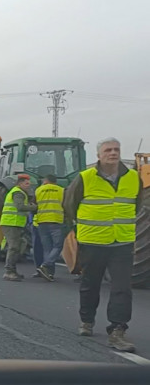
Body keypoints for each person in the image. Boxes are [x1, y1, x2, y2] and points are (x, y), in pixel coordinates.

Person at [63, 137, 142, 352]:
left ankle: (117, 330)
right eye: (108, 150)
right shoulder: (85, 177)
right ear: (99, 155)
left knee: (122, 289)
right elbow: (70, 205)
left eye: (116, 149)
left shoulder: (134, 177)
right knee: (90, 284)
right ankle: (86, 320)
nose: (113, 153)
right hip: (93, 241)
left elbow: (137, 205)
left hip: (122, 242)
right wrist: (81, 228)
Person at [0, 174, 37, 281]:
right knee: (14, 246)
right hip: (11, 223)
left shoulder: (20, 192)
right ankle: (9, 271)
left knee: (21, 244)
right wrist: (34, 207)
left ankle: (12, 269)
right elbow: (19, 207)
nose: (29, 186)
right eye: (26, 183)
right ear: (20, 183)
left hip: (15, 223)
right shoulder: (18, 193)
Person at [34, 175, 65, 282]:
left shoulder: (38, 190)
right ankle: (45, 265)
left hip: (42, 221)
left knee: (47, 248)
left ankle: (49, 273)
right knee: (58, 246)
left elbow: (34, 205)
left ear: (45, 181)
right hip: (56, 221)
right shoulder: (61, 190)